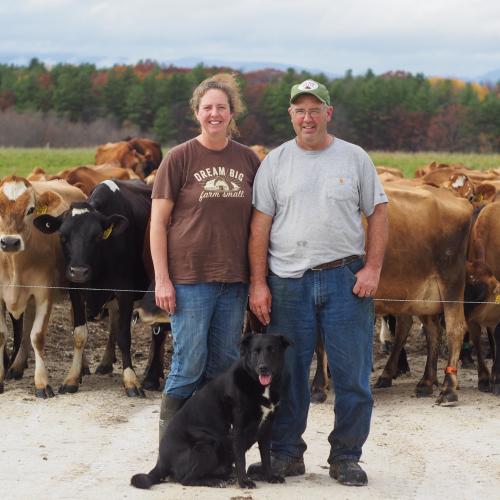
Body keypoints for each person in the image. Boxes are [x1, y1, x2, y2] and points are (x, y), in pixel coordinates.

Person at [248, 79, 388, 486]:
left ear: (329, 113)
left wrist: (373, 268)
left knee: (352, 373)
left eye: (315, 109)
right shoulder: (276, 162)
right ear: (290, 116)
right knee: (287, 372)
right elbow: (260, 225)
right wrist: (259, 282)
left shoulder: (354, 158)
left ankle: (346, 455)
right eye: (299, 110)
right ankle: (287, 453)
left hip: (345, 278)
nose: (307, 117)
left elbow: (378, 212)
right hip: (289, 281)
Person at [150, 73, 260, 442]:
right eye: (208, 107)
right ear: (197, 112)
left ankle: (213, 443)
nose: (215, 114)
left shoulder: (248, 160)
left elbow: (260, 221)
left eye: (222, 108)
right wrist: (162, 279)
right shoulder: (179, 158)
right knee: (188, 362)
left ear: (232, 114)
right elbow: (158, 223)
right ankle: (171, 445)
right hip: (190, 279)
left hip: (233, 279)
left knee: (223, 365)